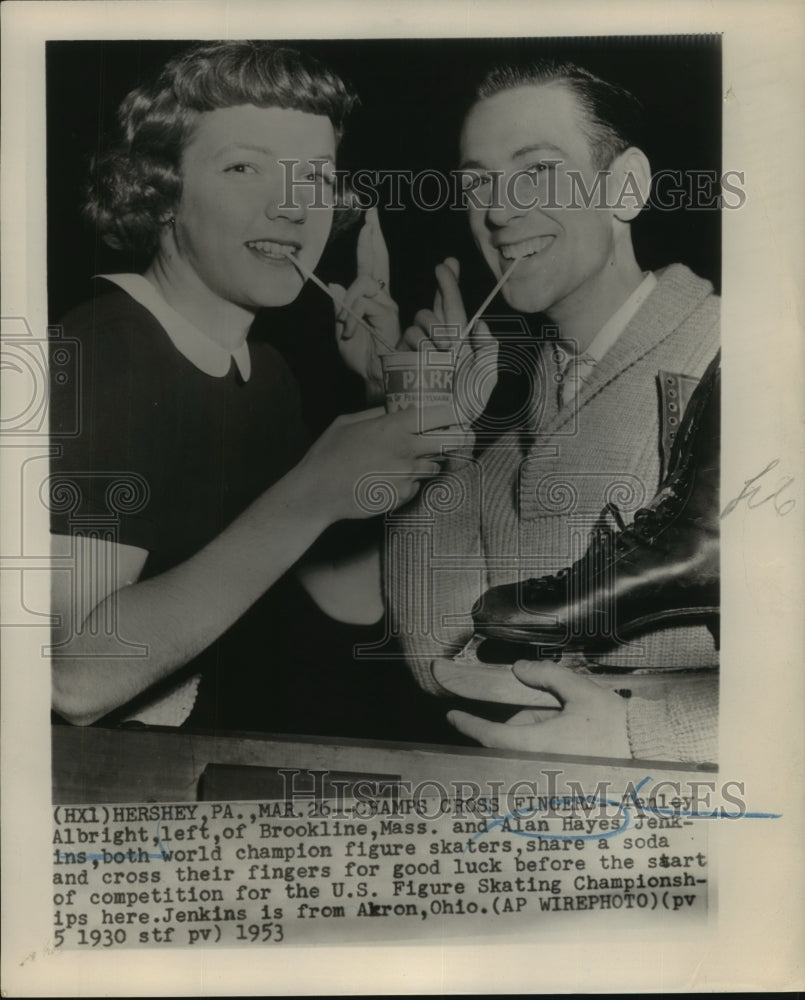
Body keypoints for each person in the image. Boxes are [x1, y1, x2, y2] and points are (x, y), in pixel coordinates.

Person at [48, 41, 473, 734]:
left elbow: (350, 597)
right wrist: (311, 491)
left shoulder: (262, 371)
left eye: (312, 177)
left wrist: (385, 405)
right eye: (244, 168)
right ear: (158, 190)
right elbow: (73, 676)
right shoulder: (100, 353)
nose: (289, 208)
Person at [390, 59, 720, 759]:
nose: (499, 211)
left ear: (624, 186)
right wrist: (423, 423)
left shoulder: (736, 349)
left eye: (537, 170)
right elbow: (441, 661)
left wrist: (640, 732)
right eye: (475, 181)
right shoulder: (506, 420)